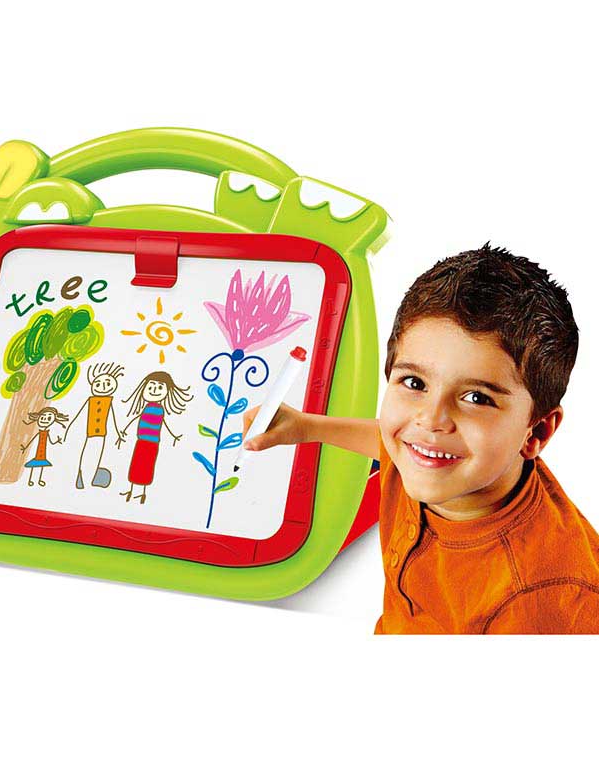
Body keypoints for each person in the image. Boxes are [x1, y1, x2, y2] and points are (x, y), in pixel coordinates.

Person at [243, 245, 599, 633]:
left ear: (537, 431)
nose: (429, 421)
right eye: (415, 383)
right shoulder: (431, 456)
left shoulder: (537, 602)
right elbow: (388, 440)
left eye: (477, 398)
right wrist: (305, 427)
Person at [117, 371, 191, 504]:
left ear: (167, 391)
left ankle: (142, 492)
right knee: (136, 465)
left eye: (160, 387)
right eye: (150, 387)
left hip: (152, 443)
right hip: (141, 441)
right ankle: (132, 490)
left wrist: (173, 435)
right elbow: (136, 418)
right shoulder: (147, 407)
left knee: (146, 466)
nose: (154, 390)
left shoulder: (160, 409)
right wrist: (125, 430)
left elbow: (163, 423)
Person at [64, 362, 124, 489]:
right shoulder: (90, 400)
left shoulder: (109, 401)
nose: (103, 387)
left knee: (96, 454)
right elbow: (80, 415)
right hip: (89, 433)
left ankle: (90, 477)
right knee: (87, 453)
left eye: (107, 383)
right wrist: (70, 427)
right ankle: (82, 477)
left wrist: (118, 433)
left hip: (101, 434)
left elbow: (112, 418)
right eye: (98, 384)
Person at [19, 407, 68, 487]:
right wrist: (25, 447)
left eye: (49, 418)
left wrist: (56, 441)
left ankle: (39, 479)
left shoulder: (46, 433)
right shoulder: (40, 432)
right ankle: (31, 479)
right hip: (39, 453)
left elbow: (51, 441)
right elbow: (33, 439)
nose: (45, 420)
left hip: (42, 454)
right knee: (35, 465)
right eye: (42, 417)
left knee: (41, 466)